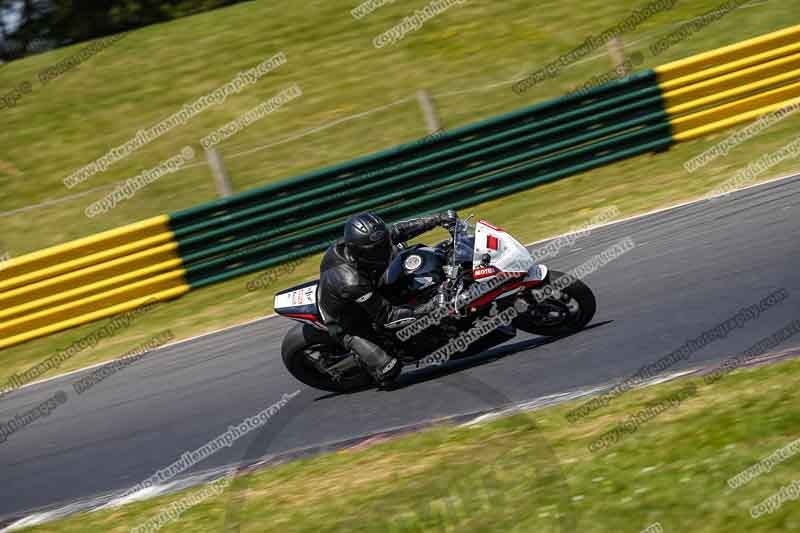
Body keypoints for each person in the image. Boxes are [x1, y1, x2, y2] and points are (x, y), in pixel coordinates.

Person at [318, 210, 458, 386]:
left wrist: (438, 219)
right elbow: (388, 317)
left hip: (370, 284)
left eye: (384, 243)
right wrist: (433, 306)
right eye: (377, 249)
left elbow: (399, 231)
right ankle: (365, 363)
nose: (385, 249)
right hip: (349, 322)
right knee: (390, 369)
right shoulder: (351, 282)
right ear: (359, 252)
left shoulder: (368, 243)